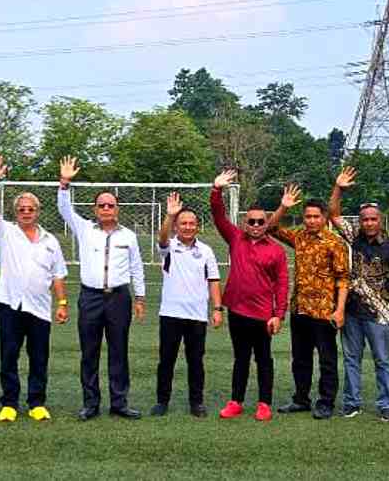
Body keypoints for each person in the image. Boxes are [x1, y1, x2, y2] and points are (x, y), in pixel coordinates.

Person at [57, 156, 146, 421]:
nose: (106, 208)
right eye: (101, 205)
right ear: (95, 209)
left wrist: (140, 297)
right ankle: (90, 404)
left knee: (119, 351)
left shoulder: (129, 236)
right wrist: (64, 183)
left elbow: (137, 268)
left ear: (117, 209)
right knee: (89, 352)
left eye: (111, 205)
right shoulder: (84, 229)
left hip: (119, 298)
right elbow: (64, 209)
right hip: (90, 298)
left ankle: (119, 403)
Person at [0, 155, 69, 422]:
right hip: (10, 305)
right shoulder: (6, 232)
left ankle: (36, 403)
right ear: (15, 212)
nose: (26, 212)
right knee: (9, 356)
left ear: (37, 211)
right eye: (21, 209)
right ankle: (9, 403)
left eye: (30, 208)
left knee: (39, 358)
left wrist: (62, 303)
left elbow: (58, 275)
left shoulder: (51, 241)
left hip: (40, 309)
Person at [328, 167, 389, 422]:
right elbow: (333, 214)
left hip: (379, 314)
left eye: (373, 219)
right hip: (352, 312)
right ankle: (351, 403)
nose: (369, 223)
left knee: (382, 361)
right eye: (365, 219)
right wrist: (338, 188)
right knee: (351, 359)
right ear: (360, 221)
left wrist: (384, 296)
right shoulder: (354, 237)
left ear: (380, 220)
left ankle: (385, 404)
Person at [210, 170, 288, 422]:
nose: (255, 225)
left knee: (264, 359)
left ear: (267, 224)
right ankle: (236, 401)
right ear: (245, 223)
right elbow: (218, 216)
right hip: (237, 311)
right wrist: (216, 189)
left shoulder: (276, 250)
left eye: (260, 222)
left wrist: (278, 315)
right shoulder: (235, 238)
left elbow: (282, 284)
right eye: (251, 221)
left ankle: (264, 403)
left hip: (263, 314)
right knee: (241, 358)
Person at [269, 184, 350, 420]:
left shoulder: (335, 243)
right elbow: (271, 227)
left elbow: (343, 279)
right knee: (300, 359)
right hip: (300, 309)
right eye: (308, 216)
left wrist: (340, 310)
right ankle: (301, 399)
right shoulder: (299, 237)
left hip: (325, 311)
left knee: (327, 360)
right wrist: (283, 207)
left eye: (316, 216)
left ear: (324, 218)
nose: (312, 221)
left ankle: (326, 402)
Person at [151, 191, 224, 418]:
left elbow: (213, 280)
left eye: (192, 223)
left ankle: (196, 402)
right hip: (170, 314)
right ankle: (162, 401)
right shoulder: (169, 247)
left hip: (197, 316)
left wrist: (217, 308)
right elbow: (161, 239)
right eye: (183, 223)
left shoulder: (206, 251)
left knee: (196, 362)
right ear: (176, 226)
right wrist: (170, 215)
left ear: (197, 227)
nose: (188, 227)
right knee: (166, 361)